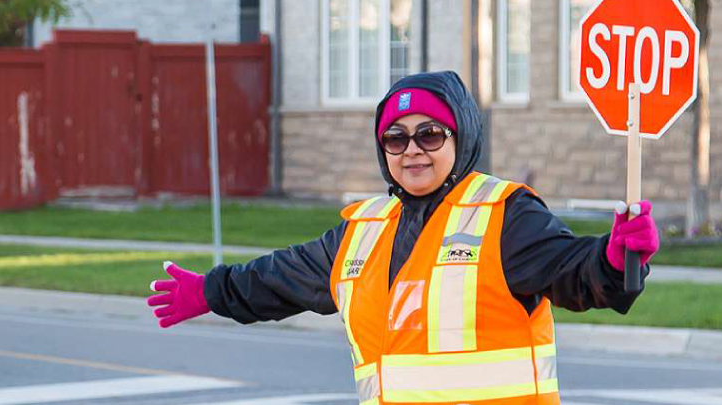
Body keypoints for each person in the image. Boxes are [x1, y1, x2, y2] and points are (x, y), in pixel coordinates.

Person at [146, 71, 660, 405]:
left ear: (461, 138)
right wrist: (211, 291)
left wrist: (616, 260)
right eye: (396, 137)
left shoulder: (506, 214)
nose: (412, 149)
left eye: (430, 134)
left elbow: (577, 274)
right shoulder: (363, 229)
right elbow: (280, 279)